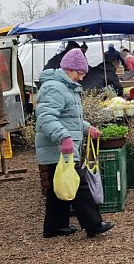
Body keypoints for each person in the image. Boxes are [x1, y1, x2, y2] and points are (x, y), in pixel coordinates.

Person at [35, 48, 112, 238]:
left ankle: (54, 227)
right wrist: (64, 137)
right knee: (78, 183)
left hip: (61, 145)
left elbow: (70, 118)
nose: (82, 78)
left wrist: (87, 128)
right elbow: (45, 118)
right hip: (60, 146)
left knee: (57, 187)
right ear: (69, 70)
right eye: (80, 73)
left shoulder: (67, 87)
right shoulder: (55, 87)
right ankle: (94, 224)